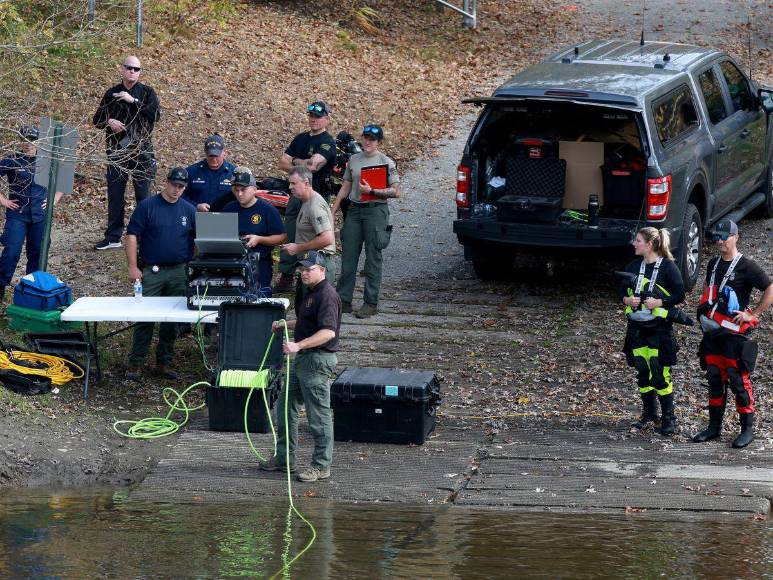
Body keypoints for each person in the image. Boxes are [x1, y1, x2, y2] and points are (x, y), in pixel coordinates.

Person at [261, 250, 341, 482]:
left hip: (317, 360)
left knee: (319, 416)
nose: (304, 273)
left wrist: (298, 345)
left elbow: (328, 332)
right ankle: (284, 458)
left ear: (322, 270)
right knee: (285, 408)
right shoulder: (310, 292)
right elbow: (309, 323)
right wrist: (288, 323)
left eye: (309, 269)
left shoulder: (327, 295)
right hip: (303, 359)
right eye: (302, 269)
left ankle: (321, 465)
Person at [693, 219, 772, 448]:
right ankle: (713, 427)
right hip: (713, 334)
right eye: (717, 238)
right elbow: (708, 292)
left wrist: (753, 313)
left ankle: (747, 429)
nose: (720, 242)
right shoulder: (713, 264)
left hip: (734, 336)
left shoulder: (747, 266)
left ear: (736, 236)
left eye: (724, 237)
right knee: (715, 379)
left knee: (739, 381)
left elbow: (770, 288)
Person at [124, 167, 196, 380]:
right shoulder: (148, 206)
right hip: (151, 271)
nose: (177, 190)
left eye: (182, 187)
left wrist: (192, 266)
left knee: (171, 320)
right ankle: (135, 363)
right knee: (144, 318)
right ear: (167, 182)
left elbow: (198, 240)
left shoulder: (189, 210)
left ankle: (163, 362)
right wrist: (133, 266)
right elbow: (132, 236)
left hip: (178, 271)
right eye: (174, 185)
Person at [619, 227, 685, 436]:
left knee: (660, 373)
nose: (634, 244)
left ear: (649, 244)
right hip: (637, 330)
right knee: (642, 371)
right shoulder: (632, 265)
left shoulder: (667, 267)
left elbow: (679, 294)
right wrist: (627, 300)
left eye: (637, 240)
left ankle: (669, 419)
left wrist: (660, 301)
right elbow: (621, 290)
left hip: (659, 330)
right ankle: (649, 414)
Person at [92, 55, 160, 250]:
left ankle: (144, 237)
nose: (132, 72)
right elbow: (96, 119)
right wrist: (109, 122)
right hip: (116, 152)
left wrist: (133, 101)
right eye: (129, 68)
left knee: (143, 197)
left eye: (136, 69)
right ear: (122, 69)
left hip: (141, 152)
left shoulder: (147, 93)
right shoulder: (111, 93)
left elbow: (155, 115)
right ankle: (113, 237)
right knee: (115, 195)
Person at [332, 124, 400, 318]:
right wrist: (333, 210)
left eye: (372, 139)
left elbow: (396, 191)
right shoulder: (353, 159)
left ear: (379, 141)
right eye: (366, 138)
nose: (368, 142)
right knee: (348, 257)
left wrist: (372, 191)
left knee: (373, 258)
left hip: (375, 211)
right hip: (354, 211)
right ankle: (343, 300)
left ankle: (370, 302)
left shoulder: (386, 162)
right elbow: (345, 187)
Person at [275, 101, 337, 293]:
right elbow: (281, 162)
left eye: (318, 117)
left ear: (327, 118)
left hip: (315, 193)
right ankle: (287, 275)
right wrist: (300, 162)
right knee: (291, 229)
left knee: (314, 234)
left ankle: (313, 275)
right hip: (296, 193)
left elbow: (313, 166)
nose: (313, 120)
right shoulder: (300, 139)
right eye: (311, 116)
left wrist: (294, 161)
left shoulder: (327, 142)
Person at [0, 126, 65, 301]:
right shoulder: (12, 160)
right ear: (19, 141)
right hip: (17, 214)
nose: (28, 143)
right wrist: (3, 200)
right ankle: (0, 288)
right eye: (25, 139)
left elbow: (64, 179)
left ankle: (32, 292)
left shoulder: (47, 161)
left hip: (40, 215)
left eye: (33, 139)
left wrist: (53, 200)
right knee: (11, 252)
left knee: (37, 253)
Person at [221, 166, 286, 295]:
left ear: (254, 189)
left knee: (258, 299)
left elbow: (281, 237)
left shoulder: (267, 210)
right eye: (236, 190)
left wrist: (259, 239)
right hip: (231, 263)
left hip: (259, 264)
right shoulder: (229, 208)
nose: (239, 194)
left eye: (243, 190)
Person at [279, 166, 336, 289]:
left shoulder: (315, 206)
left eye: (293, 183)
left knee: (317, 306)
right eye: (290, 183)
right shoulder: (305, 201)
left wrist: (298, 247)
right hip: (308, 264)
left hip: (318, 266)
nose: (290, 187)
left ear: (306, 183)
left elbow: (327, 239)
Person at [183, 134, 236, 212]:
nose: (214, 159)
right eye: (211, 155)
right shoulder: (191, 172)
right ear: (205, 152)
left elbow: (242, 196)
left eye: (217, 156)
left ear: (224, 152)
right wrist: (196, 206)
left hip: (225, 218)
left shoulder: (234, 173)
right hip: (197, 217)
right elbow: (180, 195)